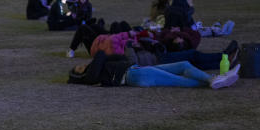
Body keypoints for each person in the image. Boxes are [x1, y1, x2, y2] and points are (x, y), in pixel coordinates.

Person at [68, 50, 240, 89]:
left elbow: (119, 58)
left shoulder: (100, 67)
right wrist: (99, 58)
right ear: (80, 74)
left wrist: (105, 57)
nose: (84, 65)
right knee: (181, 81)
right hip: (135, 76)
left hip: (138, 69)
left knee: (184, 65)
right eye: (80, 67)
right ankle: (214, 80)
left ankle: (215, 78)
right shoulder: (91, 76)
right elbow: (100, 54)